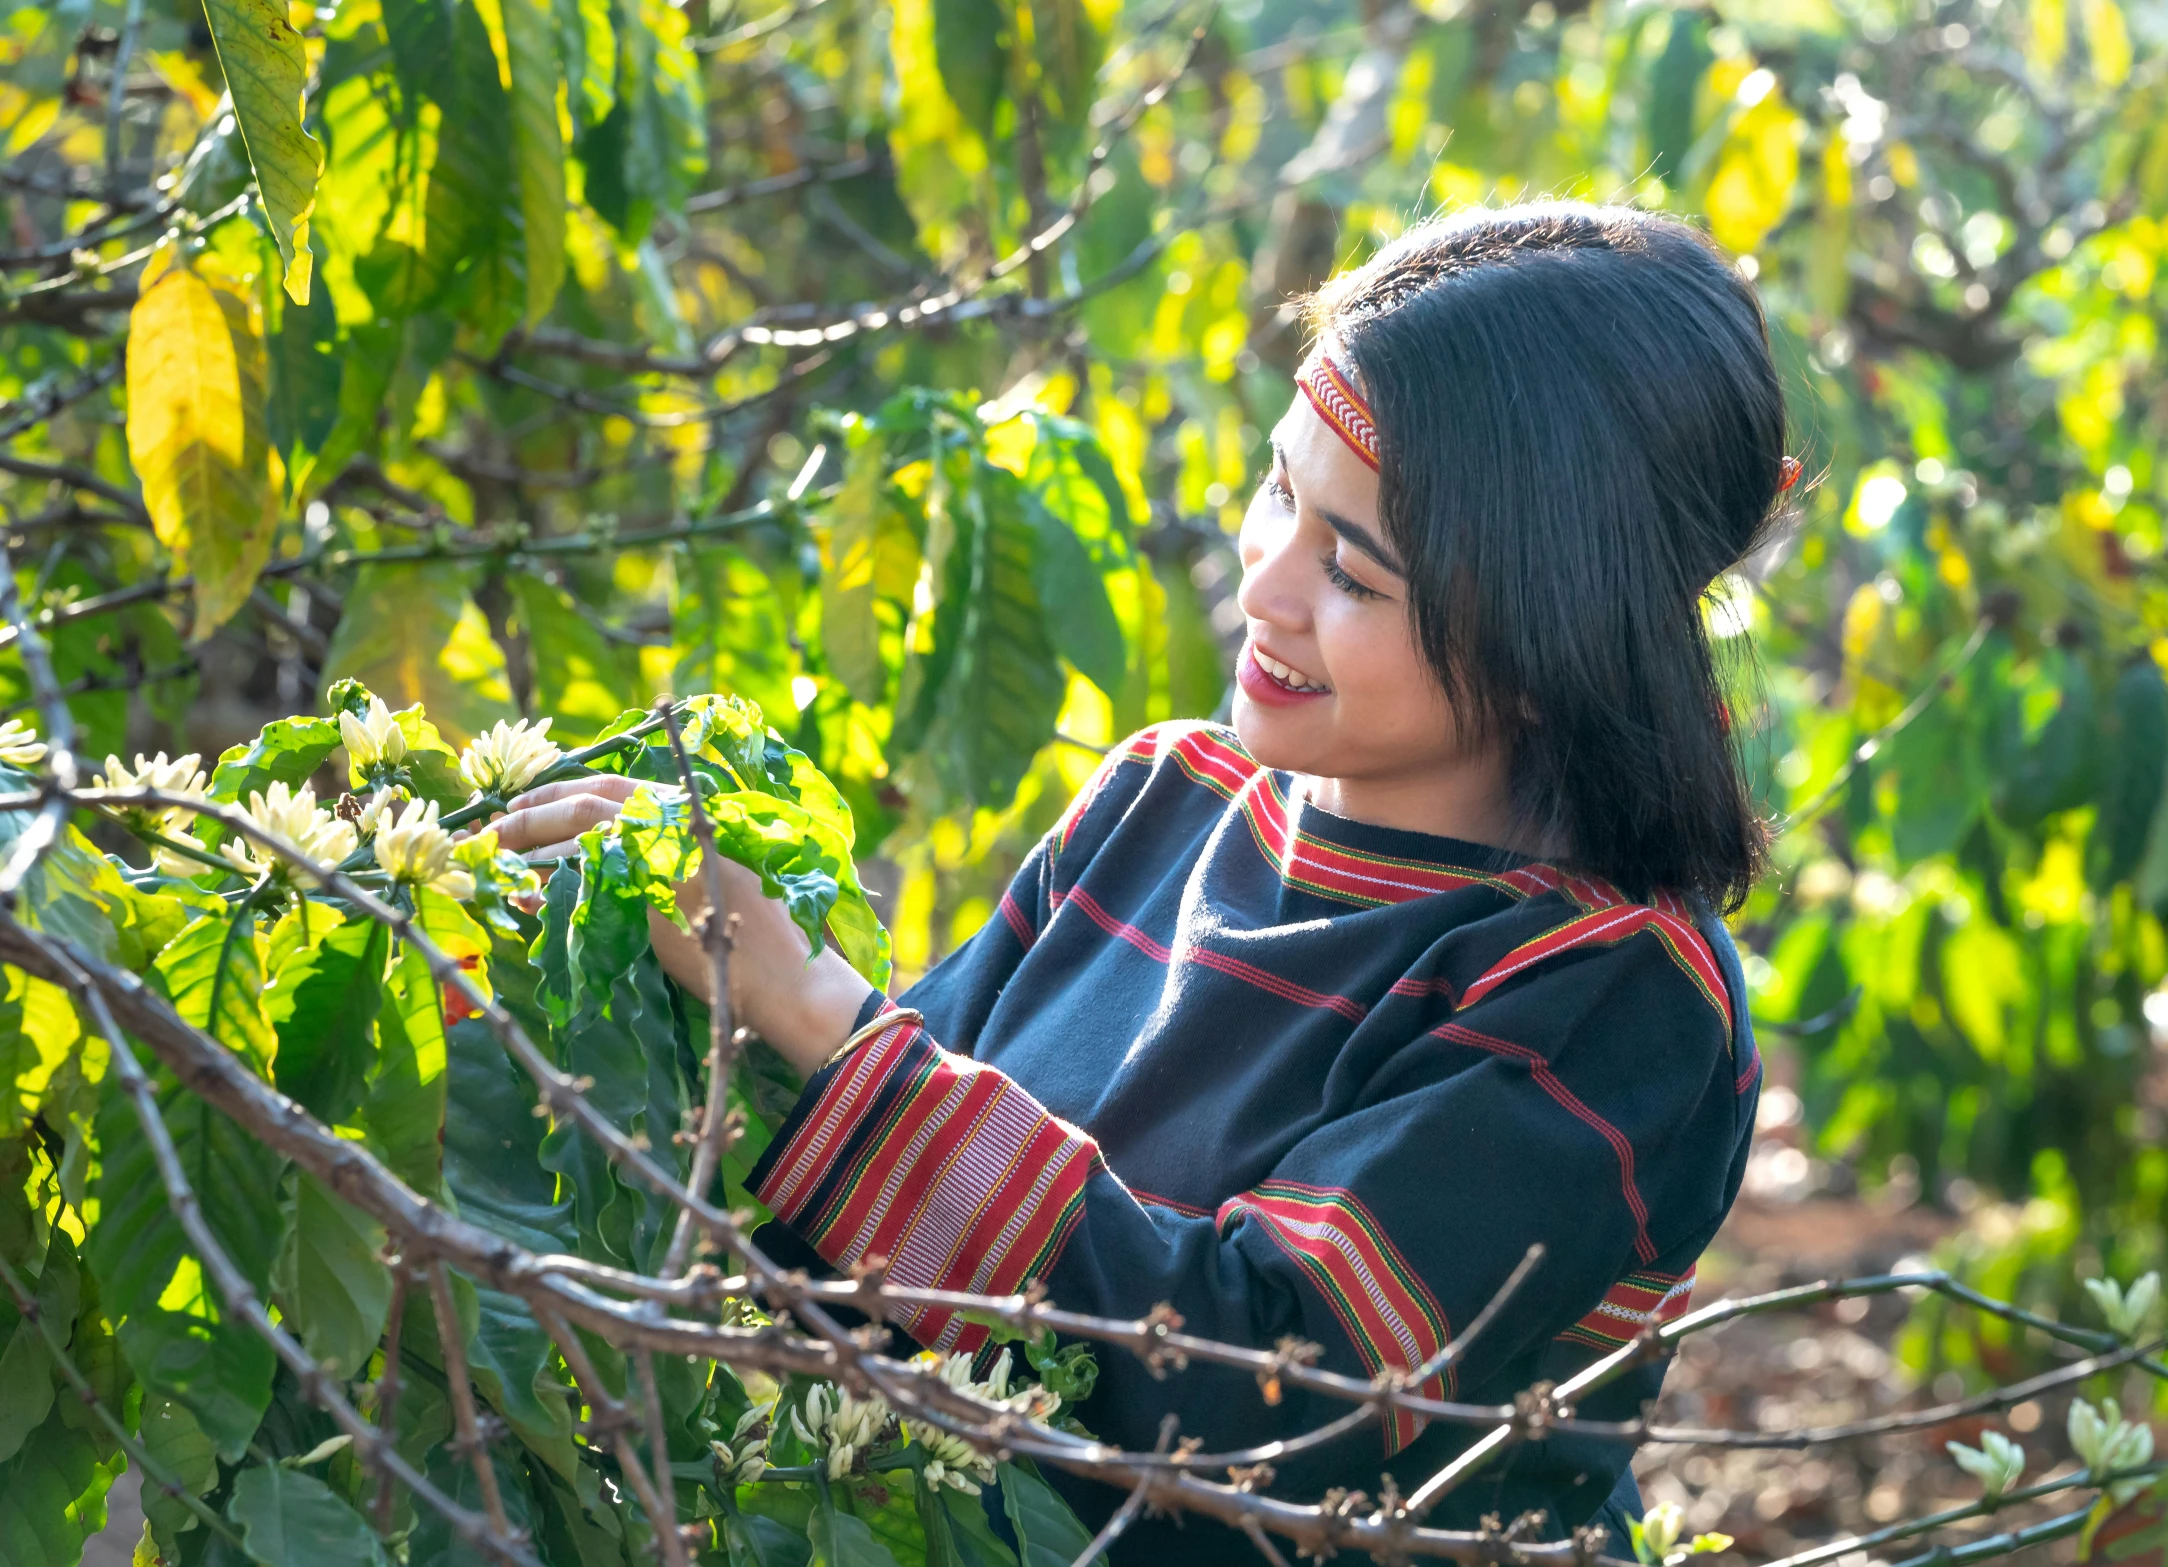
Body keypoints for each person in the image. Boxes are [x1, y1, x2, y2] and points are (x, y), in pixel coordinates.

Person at [494, 199, 1783, 1561]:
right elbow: (867, 1207)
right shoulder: (1165, 796)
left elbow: (1245, 1391)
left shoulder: (1601, 994)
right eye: (1281, 491)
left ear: (1553, 634)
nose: (1264, 585)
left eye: (1352, 569)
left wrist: (812, 1010)